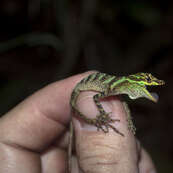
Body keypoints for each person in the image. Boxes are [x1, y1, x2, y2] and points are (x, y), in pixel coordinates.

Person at [0, 71, 157, 173]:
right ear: (135, 82)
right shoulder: (113, 87)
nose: (149, 84)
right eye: (147, 81)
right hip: (80, 88)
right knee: (80, 108)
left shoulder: (120, 88)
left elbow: (123, 104)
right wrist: (98, 118)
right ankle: (93, 121)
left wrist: (128, 120)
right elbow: (95, 98)